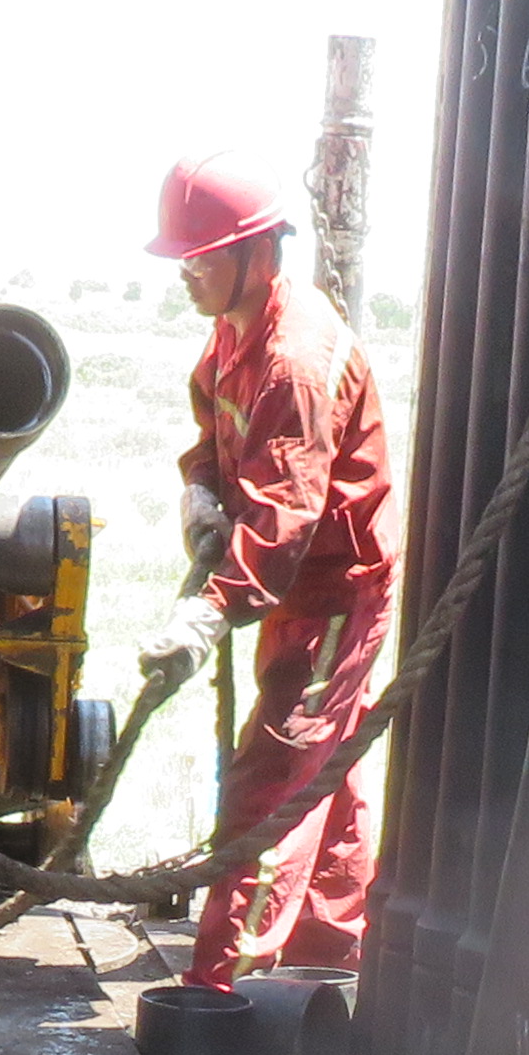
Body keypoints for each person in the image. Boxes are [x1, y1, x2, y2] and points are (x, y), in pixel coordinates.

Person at [132, 151, 398, 984]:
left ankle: (224, 985)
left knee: (274, 784)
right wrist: (201, 493)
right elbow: (215, 430)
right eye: (183, 256)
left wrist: (208, 611)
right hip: (292, 586)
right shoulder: (234, 332)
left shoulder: (295, 362)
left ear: (257, 252)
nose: (187, 272)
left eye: (201, 257)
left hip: (333, 592)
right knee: (326, 769)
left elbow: (284, 516)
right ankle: (329, 955)